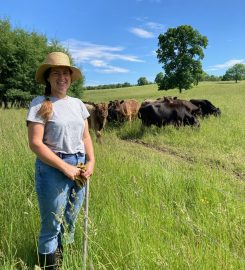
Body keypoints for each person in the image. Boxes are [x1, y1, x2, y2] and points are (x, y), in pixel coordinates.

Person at [26, 51, 95, 269]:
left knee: (71, 221)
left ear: (71, 77)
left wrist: (91, 162)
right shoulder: (39, 104)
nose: (62, 77)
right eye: (56, 73)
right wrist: (65, 168)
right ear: (48, 77)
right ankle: (49, 267)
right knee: (52, 224)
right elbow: (36, 144)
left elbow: (85, 136)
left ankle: (64, 261)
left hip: (80, 167)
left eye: (66, 73)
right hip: (53, 168)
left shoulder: (78, 104)